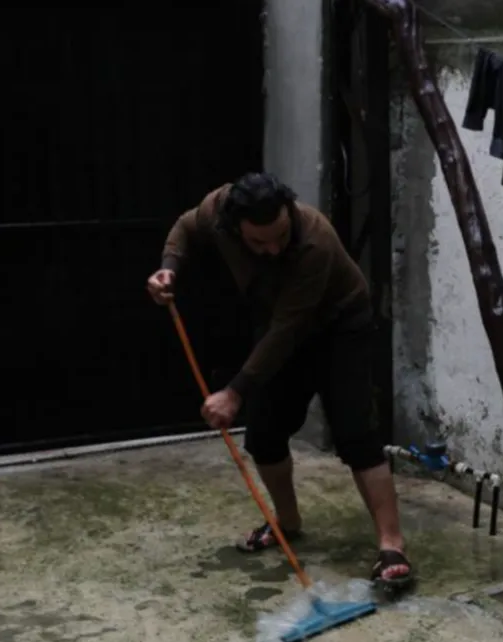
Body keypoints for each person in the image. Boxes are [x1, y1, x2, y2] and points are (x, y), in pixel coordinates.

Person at [145, 172, 414, 594]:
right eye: (259, 243)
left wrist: (234, 391)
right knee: (265, 435)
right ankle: (286, 523)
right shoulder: (217, 210)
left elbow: (289, 328)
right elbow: (185, 226)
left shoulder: (314, 240)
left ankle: (392, 544)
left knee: (356, 433)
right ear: (234, 228)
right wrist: (168, 269)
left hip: (340, 326)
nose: (273, 248)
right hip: (279, 325)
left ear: (289, 212)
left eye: (280, 235)